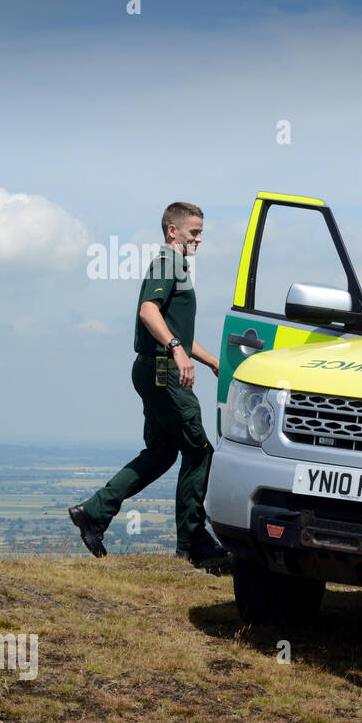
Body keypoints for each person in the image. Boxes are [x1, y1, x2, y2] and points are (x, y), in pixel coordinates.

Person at [69, 202, 229, 572]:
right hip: (162, 373)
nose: (200, 239)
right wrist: (176, 351)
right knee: (200, 451)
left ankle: (93, 514)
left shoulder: (178, 267)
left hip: (154, 369)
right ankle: (193, 543)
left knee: (160, 454)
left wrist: (209, 360)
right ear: (172, 231)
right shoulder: (167, 263)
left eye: (202, 232)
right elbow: (148, 311)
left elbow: (175, 330)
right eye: (194, 232)